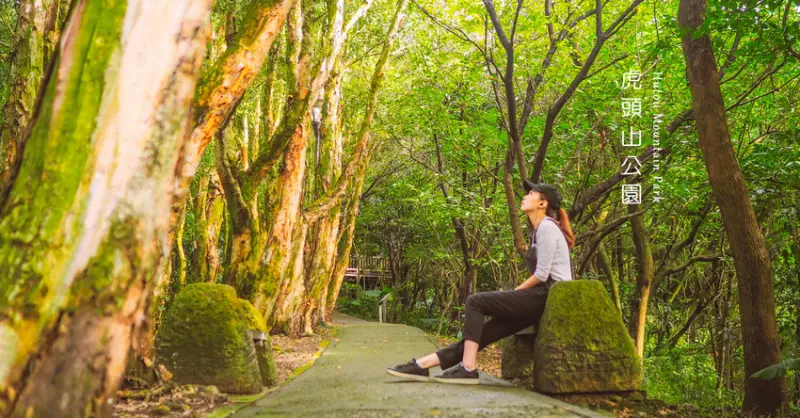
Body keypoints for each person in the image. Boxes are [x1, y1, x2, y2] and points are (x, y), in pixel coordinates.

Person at [386, 180, 575, 384]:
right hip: (542, 297)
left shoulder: (546, 227)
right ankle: (422, 365)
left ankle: (468, 368)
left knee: (475, 302)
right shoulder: (538, 230)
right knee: (484, 333)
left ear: (542, 203)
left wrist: (516, 293)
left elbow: (542, 274)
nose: (525, 196)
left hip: (549, 295)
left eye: (531, 194)